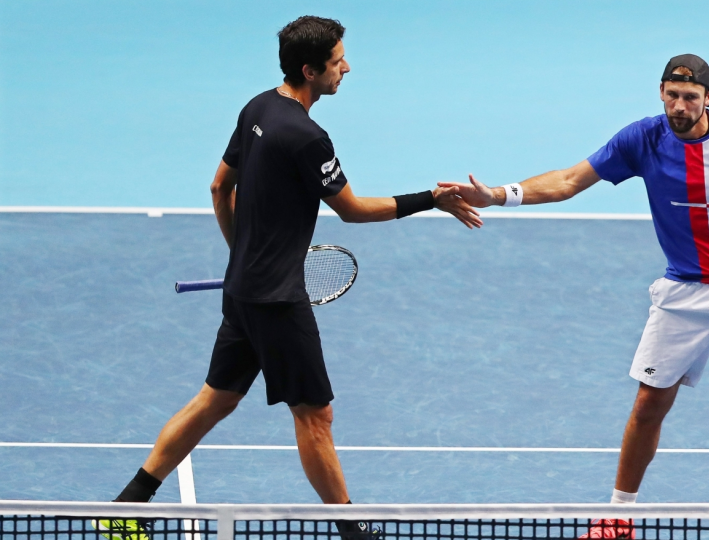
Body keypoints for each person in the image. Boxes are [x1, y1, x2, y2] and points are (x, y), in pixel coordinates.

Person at [97, 16, 480, 540]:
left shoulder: (258, 107)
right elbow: (352, 210)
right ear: (310, 69)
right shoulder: (308, 137)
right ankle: (354, 532)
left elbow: (218, 188)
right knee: (314, 416)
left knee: (216, 398)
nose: (347, 67)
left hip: (244, 290)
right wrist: (429, 200)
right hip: (276, 301)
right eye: (338, 60)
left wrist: (241, 257)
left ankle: (127, 508)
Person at [440, 54, 709, 540]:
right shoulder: (641, 139)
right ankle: (616, 515)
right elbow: (569, 181)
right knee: (649, 405)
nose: (679, 105)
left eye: (690, 97)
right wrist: (498, 195)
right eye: (671, 95)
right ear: (661, 93)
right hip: (682, 293)